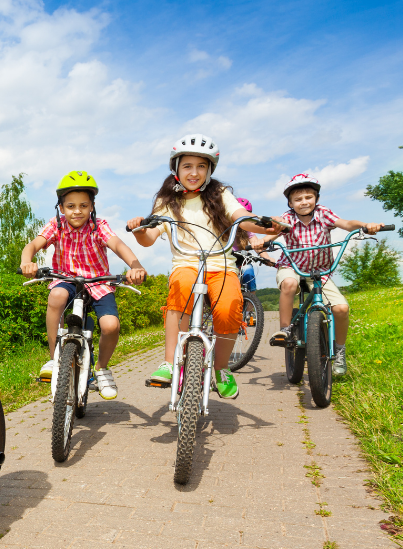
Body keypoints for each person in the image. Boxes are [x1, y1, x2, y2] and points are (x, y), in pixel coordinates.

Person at [127, 134, 285, 399]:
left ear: (210, 170)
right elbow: (148, 239)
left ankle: (221, 369)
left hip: (221, 264)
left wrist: (269, 225)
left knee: (229, 308)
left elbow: (243, 220)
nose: (194, 172)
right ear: (176, 168)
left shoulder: (221, 194)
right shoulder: (166, 202)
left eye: (201, 166)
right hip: (186, 263)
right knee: (181, 289)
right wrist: (138, 229)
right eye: (187, 166)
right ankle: (168, 362)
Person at [19, 171, 146, 400]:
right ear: (61, 207)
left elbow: (118, 245)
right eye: (70, 206)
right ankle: (54, 358)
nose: (77, 211)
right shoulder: (56, 226)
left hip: (97, 283)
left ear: (92, 206)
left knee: (110, 326)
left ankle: (102, 368)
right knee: (56, 296)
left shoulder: (99, 226)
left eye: (83, 205)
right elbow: (32, 245)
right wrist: (26, 262)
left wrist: (135, 265)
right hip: (66, 279)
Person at [258, 173, 384, 376]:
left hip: (320, 272)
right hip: (292, 267)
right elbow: (273, 232)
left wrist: (364, 226)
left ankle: (339, 351)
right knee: (289, 284)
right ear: (290, 203)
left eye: (308, 197)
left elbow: (347, 223)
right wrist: (260, 241)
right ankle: (285, 329)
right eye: (297, 199)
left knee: (341, 308)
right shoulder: (288, 219)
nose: (304, 202)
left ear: (316, 198)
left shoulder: (324, 214)